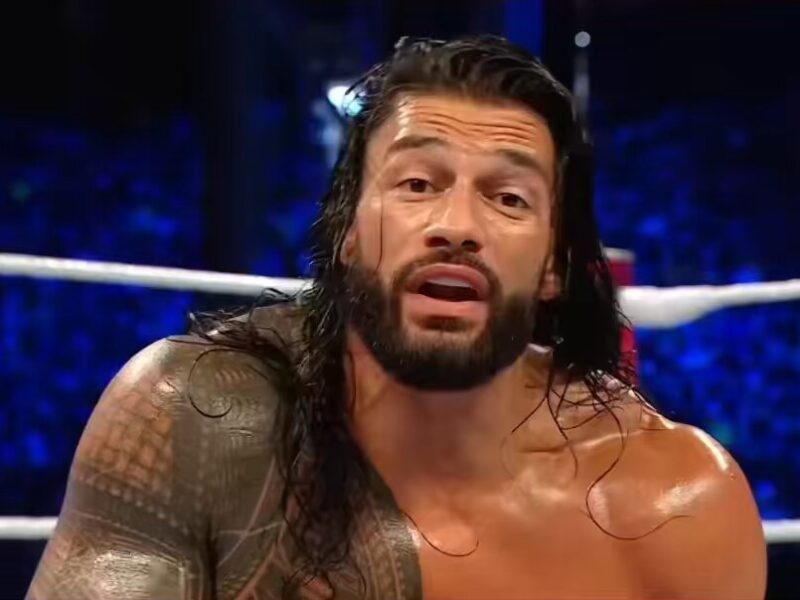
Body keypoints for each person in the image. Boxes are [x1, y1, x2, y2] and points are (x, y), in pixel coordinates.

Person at [27, 36, 766, 600]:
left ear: (553, 266)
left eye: (509, 198)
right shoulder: (193, 419)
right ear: (348, 232)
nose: (457, 226)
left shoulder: (676, 504)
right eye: (417, 183)